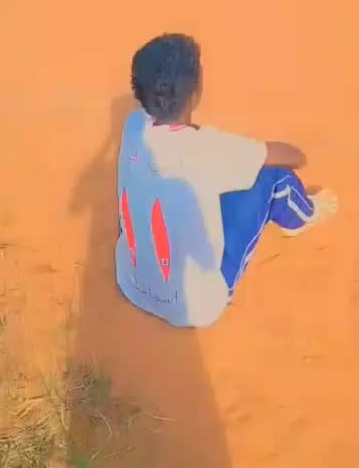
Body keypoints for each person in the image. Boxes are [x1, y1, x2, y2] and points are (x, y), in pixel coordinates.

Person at [115, 34, 337, 328]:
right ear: (195, 94)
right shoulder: (209, 149)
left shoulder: (132, 127)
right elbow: (294, 157)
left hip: (130, 283)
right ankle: (306, 216)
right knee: (273, 177)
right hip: (195, 308)